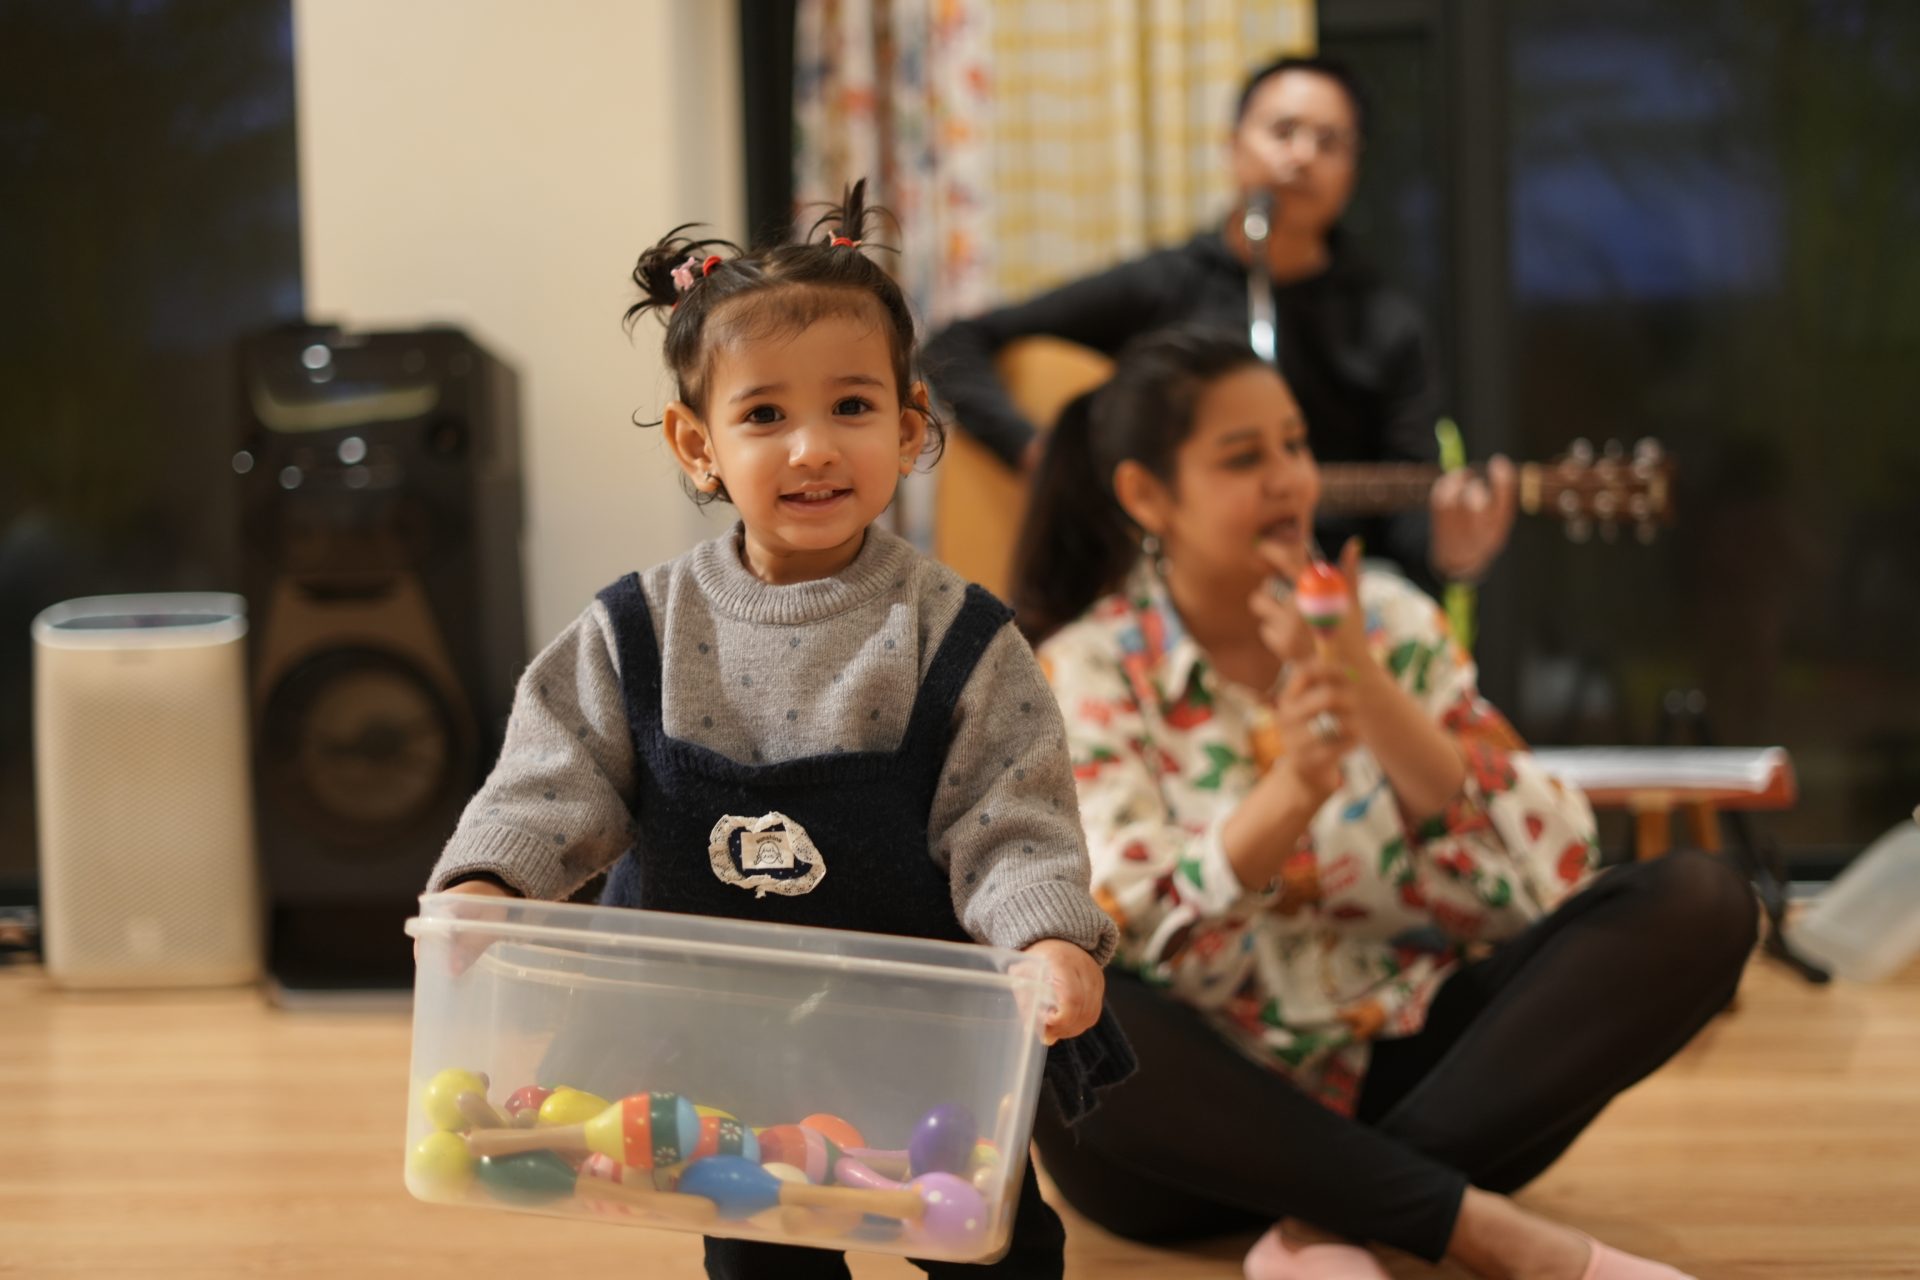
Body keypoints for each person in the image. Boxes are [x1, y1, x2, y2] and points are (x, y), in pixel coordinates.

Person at [420, 182, 1127, 1280]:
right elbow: (554, 774)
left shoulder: (961, 637)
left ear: (908, 425)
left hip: (914, 1035)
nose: (811, 449)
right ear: (697, 444)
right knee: (762, 1256)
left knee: (988, 1241)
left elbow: (1013, 816)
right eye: (764, 416)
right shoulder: (636, 627)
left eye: (850, 408)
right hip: (722, 1041)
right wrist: (487, 883)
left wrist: (1043, 936)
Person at [1011, 326, 1756, 1280]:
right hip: (1198, 1128)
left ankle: (1332, 1226)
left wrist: (1371, 689)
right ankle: (1485, 1231)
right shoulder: (1091, 665)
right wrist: (1288, 796)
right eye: (1245, 457)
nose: (1289, 480)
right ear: (1146, 495)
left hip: (1418, 1074)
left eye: (1295, 445)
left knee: (1701, 902)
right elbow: (1124, 924)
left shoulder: (1392, 621)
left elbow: (1544, 875)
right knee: (1076, 1016)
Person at [925, 54, 1516, 593]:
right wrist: (1036, 453)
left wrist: (1451, 552)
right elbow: (955, 344)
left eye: (1329, 142)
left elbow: (1408, 509)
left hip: (1322, 605)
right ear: (1234, 148)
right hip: (1156, 594)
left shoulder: (1389, 326)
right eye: (1283, 132)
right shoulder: (1168, 284)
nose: (1303, 155)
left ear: (1354, 171)